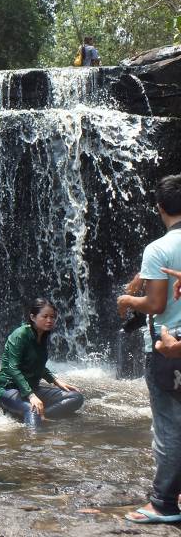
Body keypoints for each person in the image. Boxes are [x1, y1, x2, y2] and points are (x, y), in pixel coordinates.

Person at [116, 174, 181, 523]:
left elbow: (155, 304)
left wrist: (128, 300)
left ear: (160, 208)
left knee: (168, 425)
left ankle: (164, 504)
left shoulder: (158, 248)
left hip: (166, 344)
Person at [0, 299, 84, 426]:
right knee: (32, 409)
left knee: (76, 397)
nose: (49, 320)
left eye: (52, 317)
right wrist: (31, 396)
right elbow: (13, 368)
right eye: (45, 316)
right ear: (33, 317)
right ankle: (35, 435)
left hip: (32, 388)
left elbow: (37, 364)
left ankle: (42, 416)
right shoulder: (20, 335)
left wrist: (55, 380)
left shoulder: (42, 335)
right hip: (9, 388)